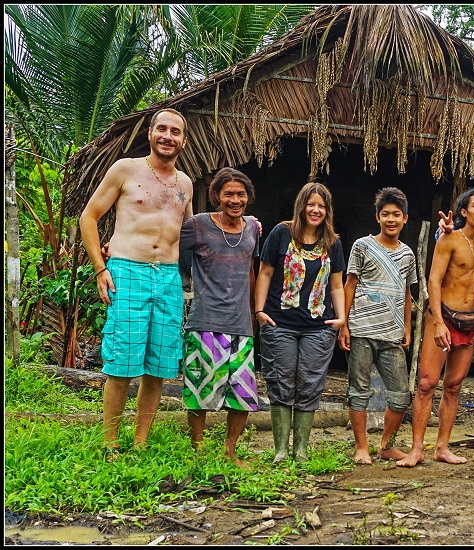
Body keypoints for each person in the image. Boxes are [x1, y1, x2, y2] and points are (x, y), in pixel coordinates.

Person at [79, 108, 192, 459]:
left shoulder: (185, 183)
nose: (168, 136)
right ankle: (110, 441)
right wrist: (101, 268)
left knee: (159, 365)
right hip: (128, 271)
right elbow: (89, 216)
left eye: (175, 132)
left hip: (169, 278)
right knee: (122, 362)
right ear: (151, 133)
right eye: (162, 129)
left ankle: (141, 440)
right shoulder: (126, 169)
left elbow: (191, 230)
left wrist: (245, 221)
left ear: (183, 141)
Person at [396, 189, 474, 468]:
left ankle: (442, 447)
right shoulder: (449, 239)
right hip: (443, 317)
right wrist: (437, 321)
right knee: (426, 384)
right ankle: (416, 450)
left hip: (469, 321)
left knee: (454, 386)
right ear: (463, 212)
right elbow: (433, 280)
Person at [254, 181, 346, 462]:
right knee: (280, 382)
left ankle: (301, 450)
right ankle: (281, 450)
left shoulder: (333, 242)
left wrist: (341, 318)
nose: (315, 210)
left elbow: (336, 285)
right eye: (311, 204)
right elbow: (265, 272)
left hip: (318, 327)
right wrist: (258, 311)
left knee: (310, 383)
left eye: (321, 205)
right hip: (279, 322)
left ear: (327, 211)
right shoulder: (282, 234)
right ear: (301, 206)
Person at [178, 167, 260, 466]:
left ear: (248, 197)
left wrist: (253, 310)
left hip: (240, 323)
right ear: (217, 196)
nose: (235, 200)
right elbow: (169, 244)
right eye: (228, 194)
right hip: (204, 321)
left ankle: (229, 451)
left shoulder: (253, 228)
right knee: (200, 392)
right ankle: (198, 451)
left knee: (243, 395)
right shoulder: (198, 225)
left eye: (241, 194)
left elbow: (252, 269)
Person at [338, 187, 418, 464]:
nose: (391, 219)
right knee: (359, 390)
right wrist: (344, 324)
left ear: (405, 219)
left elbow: (408, 293)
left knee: (400, 395)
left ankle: (386, 446)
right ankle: (361, 447)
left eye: (396, 214)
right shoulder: (362, 246)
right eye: (386, 214)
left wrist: (407, 327)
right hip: (361, 328)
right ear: (377, 217)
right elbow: (350, 284)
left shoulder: (408, 254)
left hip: (392, 332)